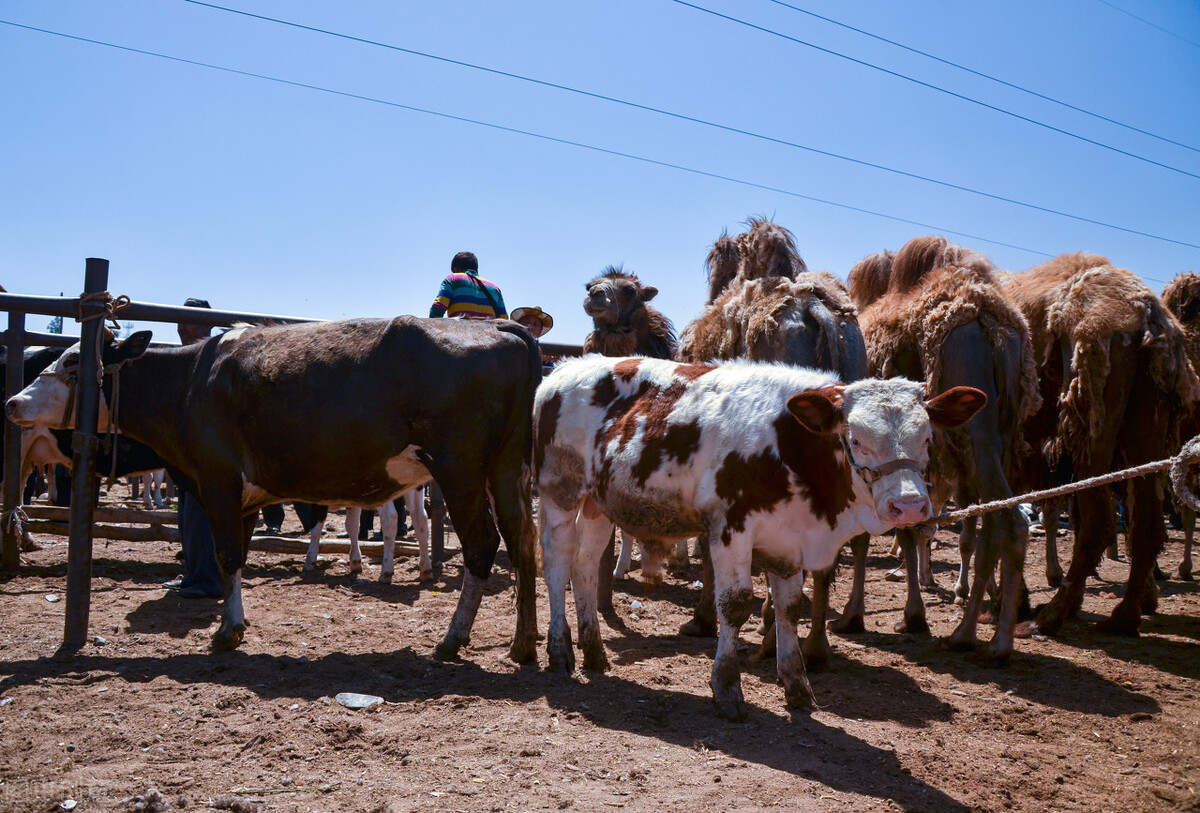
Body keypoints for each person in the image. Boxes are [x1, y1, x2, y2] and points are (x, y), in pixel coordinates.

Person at [163, 298, 224, 599]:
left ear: (207, 324)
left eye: (190, 320)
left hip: (210, 450)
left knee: (201, 514)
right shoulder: (185, 356)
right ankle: (194, 575)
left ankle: (207, 579)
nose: (182, 327)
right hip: (188, 447)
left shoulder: (216, 354)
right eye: (180, 320)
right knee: (186, 512)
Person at [429, 251, 507, 320]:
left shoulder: (452, 278)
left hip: (459, 333)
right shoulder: (495, 288)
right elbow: (504, 319)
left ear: (455, 269)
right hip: (491, 334)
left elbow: (438, 308)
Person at [511, 305, 559, 375]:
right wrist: (538, 358)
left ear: (540, 330)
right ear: (518, 324)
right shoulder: (509, 344)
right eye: (527, 322)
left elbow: (550, 366)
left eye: (535, 324)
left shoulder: (543, 351)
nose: (530, 326)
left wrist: (556, 360)